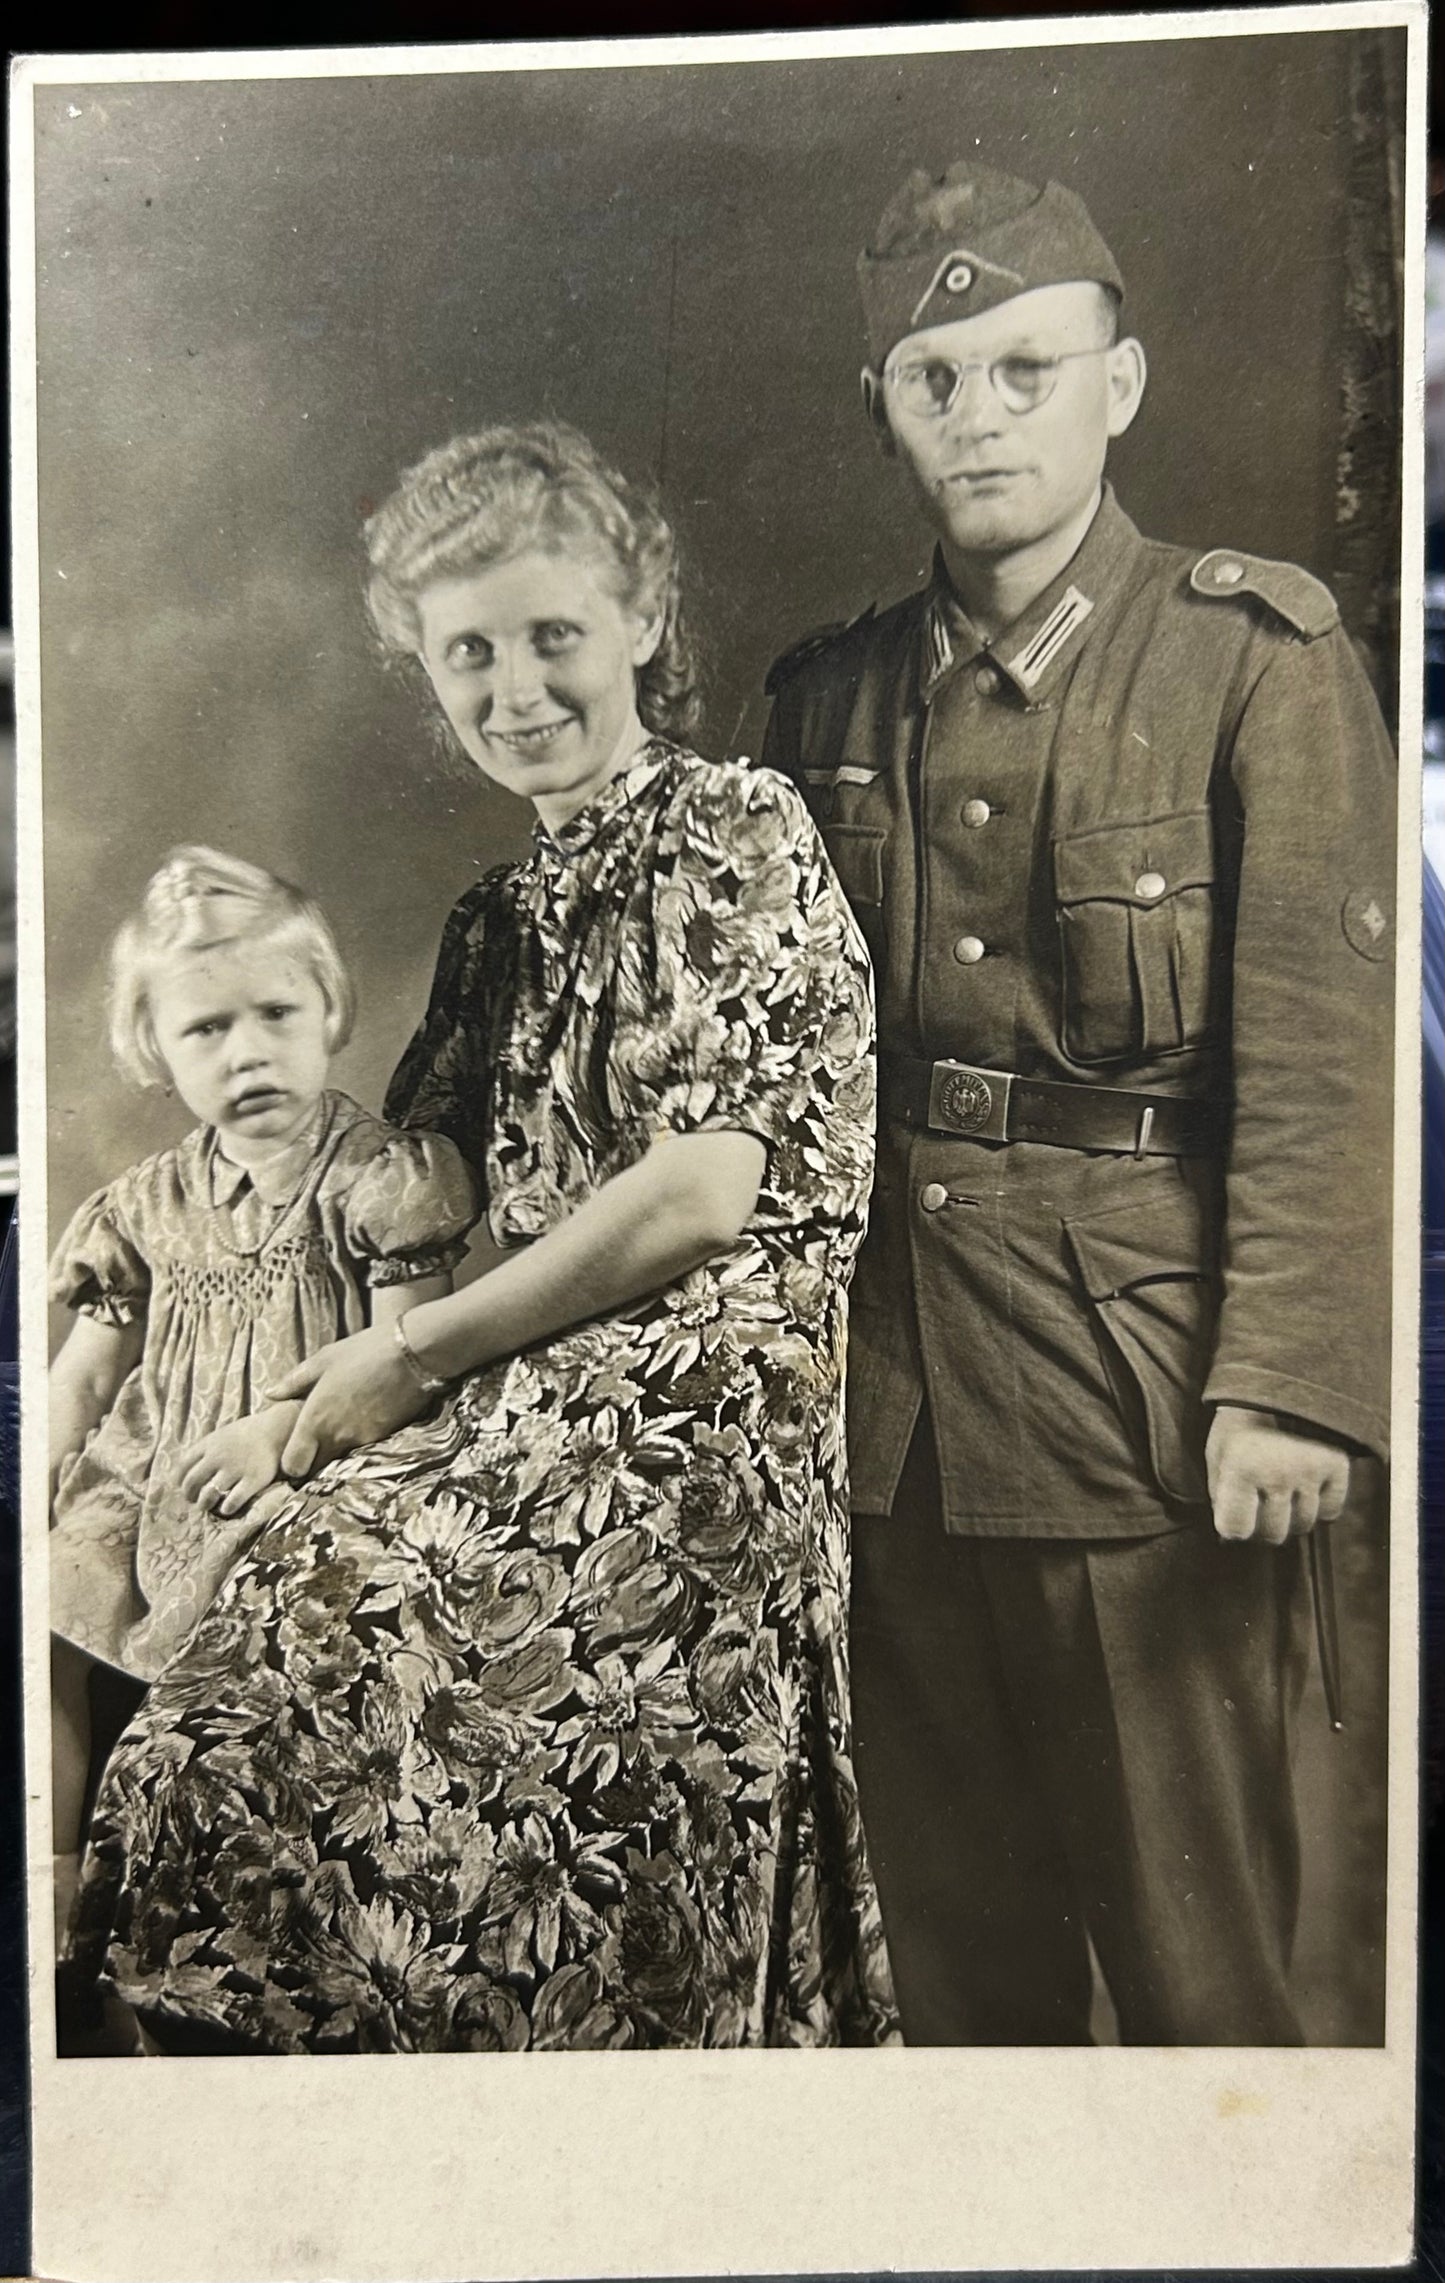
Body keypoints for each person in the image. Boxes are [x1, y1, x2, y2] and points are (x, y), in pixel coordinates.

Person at [67, 422, 897, 2052]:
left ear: (643, 622)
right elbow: (394, 1204)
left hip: (693, 1446)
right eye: (469, 655)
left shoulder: (735, 832)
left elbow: (701, 1191)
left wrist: (390, 1362)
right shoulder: (490, 922)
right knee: (209, 1676)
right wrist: (281, 1399)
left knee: (362, 1605)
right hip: (498, 1405)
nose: (515, 689)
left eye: (552, 637)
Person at [761, 162, 1396, 2045]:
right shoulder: (824, 699)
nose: (983, 416)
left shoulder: (1254, 664)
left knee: (1215, 1998)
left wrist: (1290, 1378)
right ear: (882, 407)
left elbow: (1322, 1060)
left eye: (1026, 366)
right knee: (957, 1998)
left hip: (1149, 1422)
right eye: (934, 376)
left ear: (1119, 383)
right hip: (884, 1432)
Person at [48, 849, 479, 1926]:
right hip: (154, 1473)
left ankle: (249, 1894)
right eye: (206, 1029)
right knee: (51, 1594)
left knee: (268, 1648)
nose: (248, 1052)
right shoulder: (141, 1204)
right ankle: (57, 1875)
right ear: (154, 1048)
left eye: (275, 1013)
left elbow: (403, 1365)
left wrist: (277, 1433)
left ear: (328, 1009)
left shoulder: (378, 1177)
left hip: (317, 1467)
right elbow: (87, 1369)